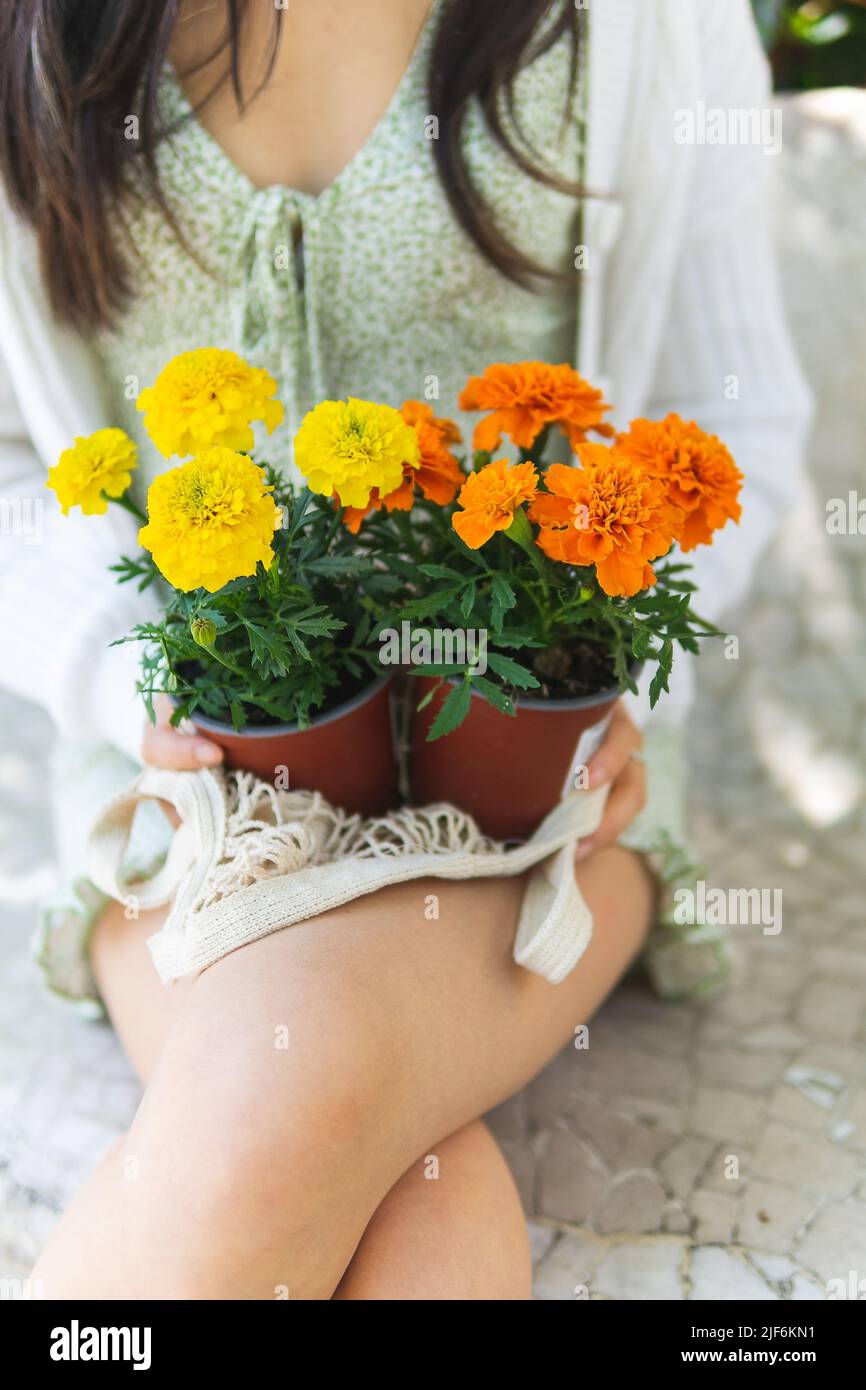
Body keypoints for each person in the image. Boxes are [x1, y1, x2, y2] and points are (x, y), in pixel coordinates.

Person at [0, 0, 810, 1299]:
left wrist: (621, 671)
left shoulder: (648, 23)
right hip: (191, 791)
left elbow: (734, 414)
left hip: (530, 782)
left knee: (279, 1098)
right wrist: (134, 668)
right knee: (414, 1206)